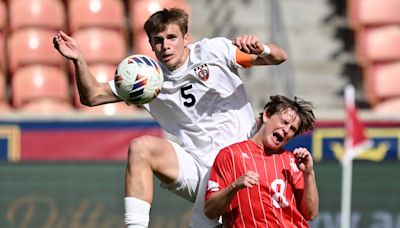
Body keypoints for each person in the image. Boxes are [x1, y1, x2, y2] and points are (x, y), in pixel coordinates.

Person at [53, 7, 288, 228]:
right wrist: (78, 60)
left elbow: (278, 57)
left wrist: (263, 50)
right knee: (141, 148)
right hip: (197, 168)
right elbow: (92, 96)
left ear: (186, 38)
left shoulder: (214, 51)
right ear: (151, 45)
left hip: (239, 164)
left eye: (171, 37)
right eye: (158, 40)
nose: (165, 46)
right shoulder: (147, 78)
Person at [204, 95, 319, 227]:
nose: (286, 130)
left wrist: (309, 173)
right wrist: (234, 187)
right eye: (284, 122)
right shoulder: (230, 155)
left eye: (292, 129)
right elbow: (209, 211)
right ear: (267, 116)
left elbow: (311, 213)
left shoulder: (293, 162)